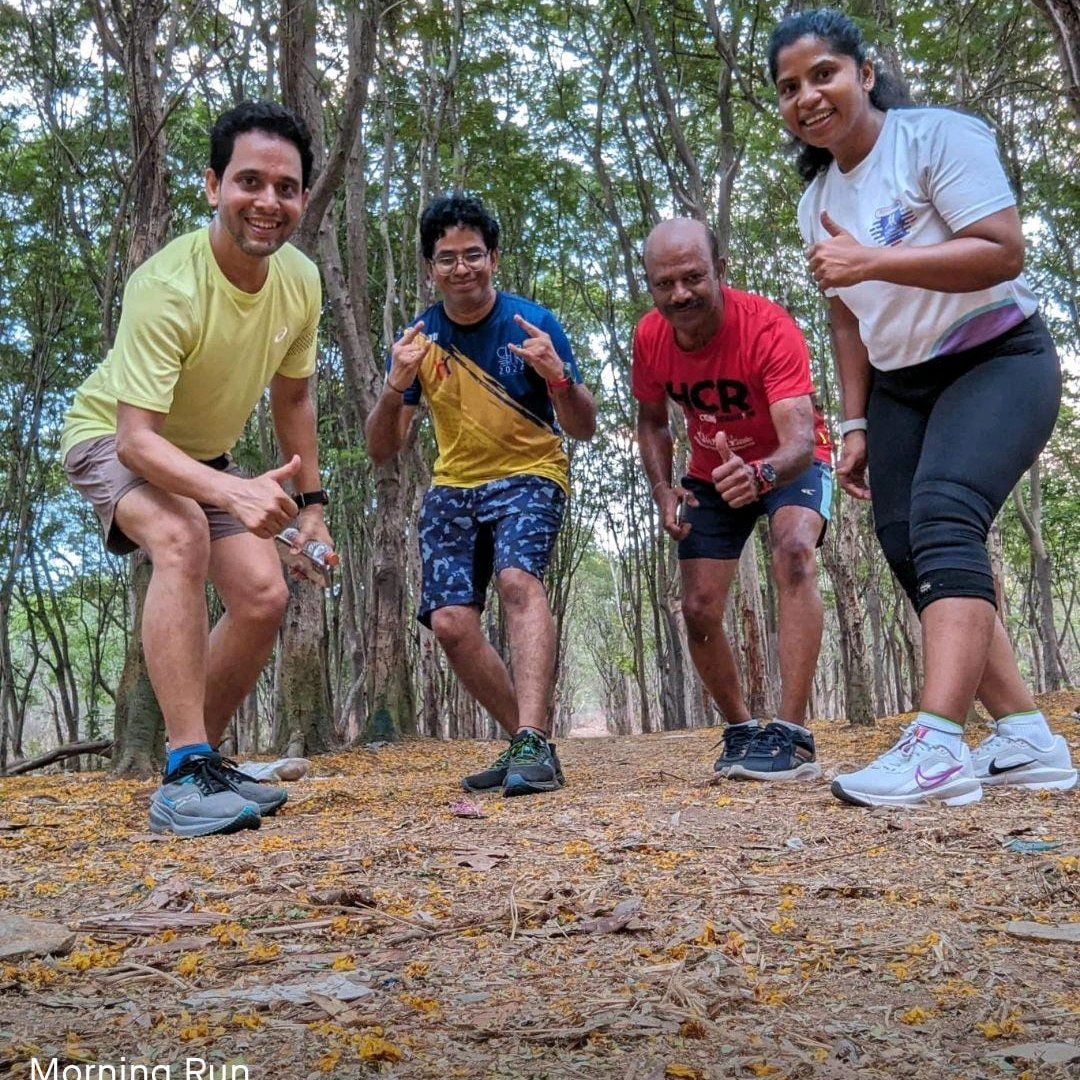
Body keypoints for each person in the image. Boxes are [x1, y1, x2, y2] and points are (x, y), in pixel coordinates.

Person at [768, 9, 1077, 806]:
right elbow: (845, 313)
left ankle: (937, 744)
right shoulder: (816, 201)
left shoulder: (937, 138)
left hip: (997, 356)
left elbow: (1002, 248)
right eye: (789, 87)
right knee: (908, 542)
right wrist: (855, 421)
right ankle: (1024, 737)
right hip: (902, 384)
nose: (808, 96)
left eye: (824, 74)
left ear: (864, 75)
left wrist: (876, 257)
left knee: (946, 517)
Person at [61, 101, 332, 836]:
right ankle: (184, 773)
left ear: (304, 198)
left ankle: (199, 763)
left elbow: (295, 392)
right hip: (109, 435)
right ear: (214, 186)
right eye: (249, 181)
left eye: (286, 187)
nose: (267, 202)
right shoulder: (166, 285)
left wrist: (312, 503)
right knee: (180, 533)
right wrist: (232, 490)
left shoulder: (300, 280)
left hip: (200, 454)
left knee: (263, 593)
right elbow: (136, 444)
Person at [365, 195, 596, 797]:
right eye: (448, 259)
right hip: (454, 484)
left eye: (474, 255)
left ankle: (528, 740)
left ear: (494, 258)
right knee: (449, 622)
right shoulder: (420, 338)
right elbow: (382, 448)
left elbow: (583, 426)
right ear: (429, 267)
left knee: (519, 582)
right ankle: (528, 740)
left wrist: (558, 377)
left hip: (531, 473)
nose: (462, 268)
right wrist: (396, 386)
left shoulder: (533, 323)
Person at [633, 218, 833, 781]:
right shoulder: (650, 337)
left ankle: (791, 736)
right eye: (664, 284)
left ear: (719, 271)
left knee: (795, 551)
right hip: (710, 471)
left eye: (694, 277)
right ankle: (743, 730)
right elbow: (651, 423)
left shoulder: (768, 327)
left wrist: (762, 471)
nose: (680, 294)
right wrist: (661, 486)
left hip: (788, 460)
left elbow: (797, 439)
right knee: (697, 608)